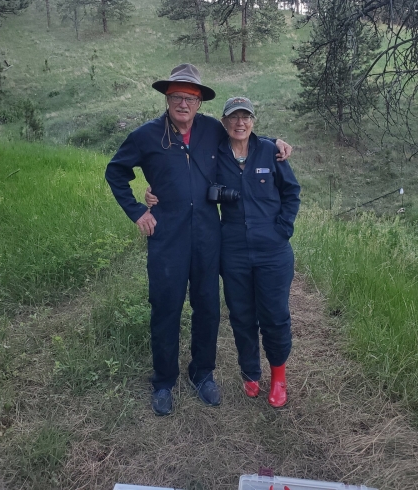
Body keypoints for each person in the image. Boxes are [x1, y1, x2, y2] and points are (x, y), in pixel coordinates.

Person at [105, 65, 291, 417]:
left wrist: (274, 143)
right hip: (167, 239)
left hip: (209, 237)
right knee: (166, 309)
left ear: (200, 102)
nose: (183, 103)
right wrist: (137, 210)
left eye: (190, 98)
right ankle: (163, 381)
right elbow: (116, 171)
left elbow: (244, 135)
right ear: (167, 97)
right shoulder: (146, 136)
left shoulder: (211, 129)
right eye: (177, 96)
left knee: (207, 308)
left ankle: (202, 373)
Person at [147, 96, 301, 408]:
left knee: (274, 315)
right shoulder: (215, 155)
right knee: (241, 314)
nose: (240, 123)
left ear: (254, 121)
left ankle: (279, 377)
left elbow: (292, 192)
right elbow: (186, 177)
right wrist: (153, 193)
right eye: (233, 118)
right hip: (232, 250)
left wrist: (282, 228)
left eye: (246, 117)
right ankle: (250, 373)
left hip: (272, 251)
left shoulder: (271, 151)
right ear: (224, 122)